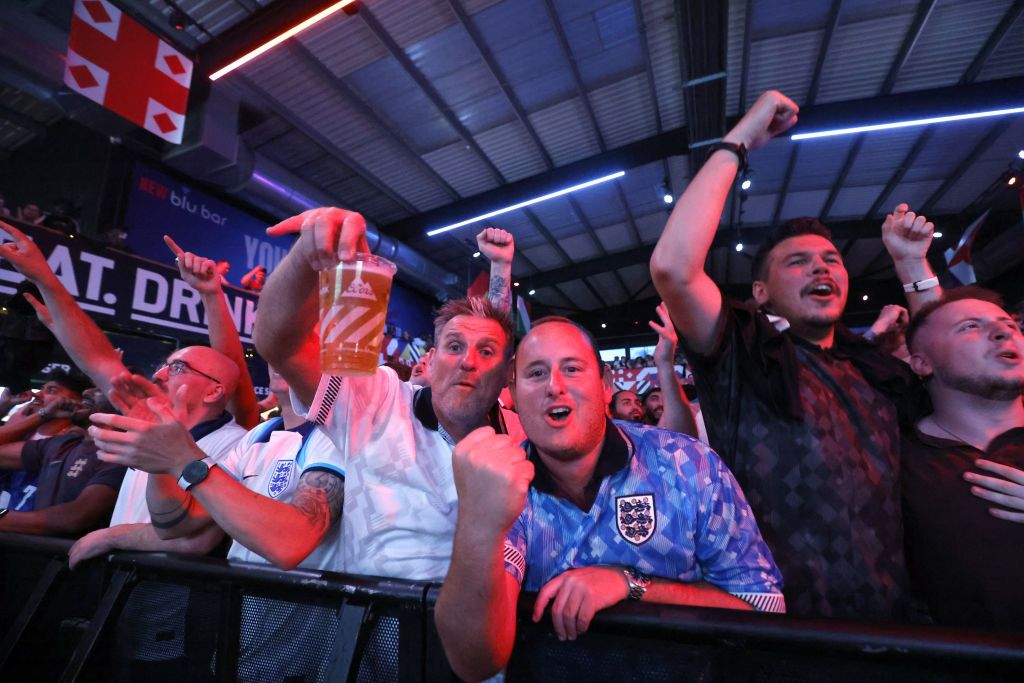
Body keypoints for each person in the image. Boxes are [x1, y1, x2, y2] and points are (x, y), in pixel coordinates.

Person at [649, 90, 926, 619]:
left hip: (896, 627)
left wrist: (915, 268)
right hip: (779, 631)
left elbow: (957, 378)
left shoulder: (876, 369)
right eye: (797, 262)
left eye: (830, 260)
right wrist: (740, 140)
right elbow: (674, 267)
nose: (821, 269)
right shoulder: (744, 358)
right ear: (760, 293)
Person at [434, 317, 783, 682]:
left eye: (572, 369)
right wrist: (478, 522)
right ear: (515, 393)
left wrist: (631, 585)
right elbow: (474, 662)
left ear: (604, 385)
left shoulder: (688, 464)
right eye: (536, 374)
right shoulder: (504, 484)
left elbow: (763, 605)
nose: (555, 386)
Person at [255, 206, 524, 580]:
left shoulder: (521, 435)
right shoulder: (378, 401)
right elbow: (280, 345)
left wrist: (500, 270)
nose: (467, 361)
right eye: (454, 346)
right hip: (375, 629)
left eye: (486, 353)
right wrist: (306, 257)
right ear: (429, 361)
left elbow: (501, 335)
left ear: (506, 374)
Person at [88, 363, 345, 681]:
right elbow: (177, 525)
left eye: (178, 367)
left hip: (298, 632)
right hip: (237, 622)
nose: (280, 358)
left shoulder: (335, 435)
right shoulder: (259, 435)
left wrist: (182, 459)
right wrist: (161, 463)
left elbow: (290, 543)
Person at [896, 287, 1024, 629]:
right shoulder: (895, 462)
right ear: (921, 363)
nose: (1002, 332)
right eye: (969, 326)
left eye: (1009, 325)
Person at [0, 388, 125, 536]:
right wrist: (45, 415)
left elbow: (76, 517)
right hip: (31, 552)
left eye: (100, 387)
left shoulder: (122, 456)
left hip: (62, 556)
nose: (86, 391)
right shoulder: (62, 444)